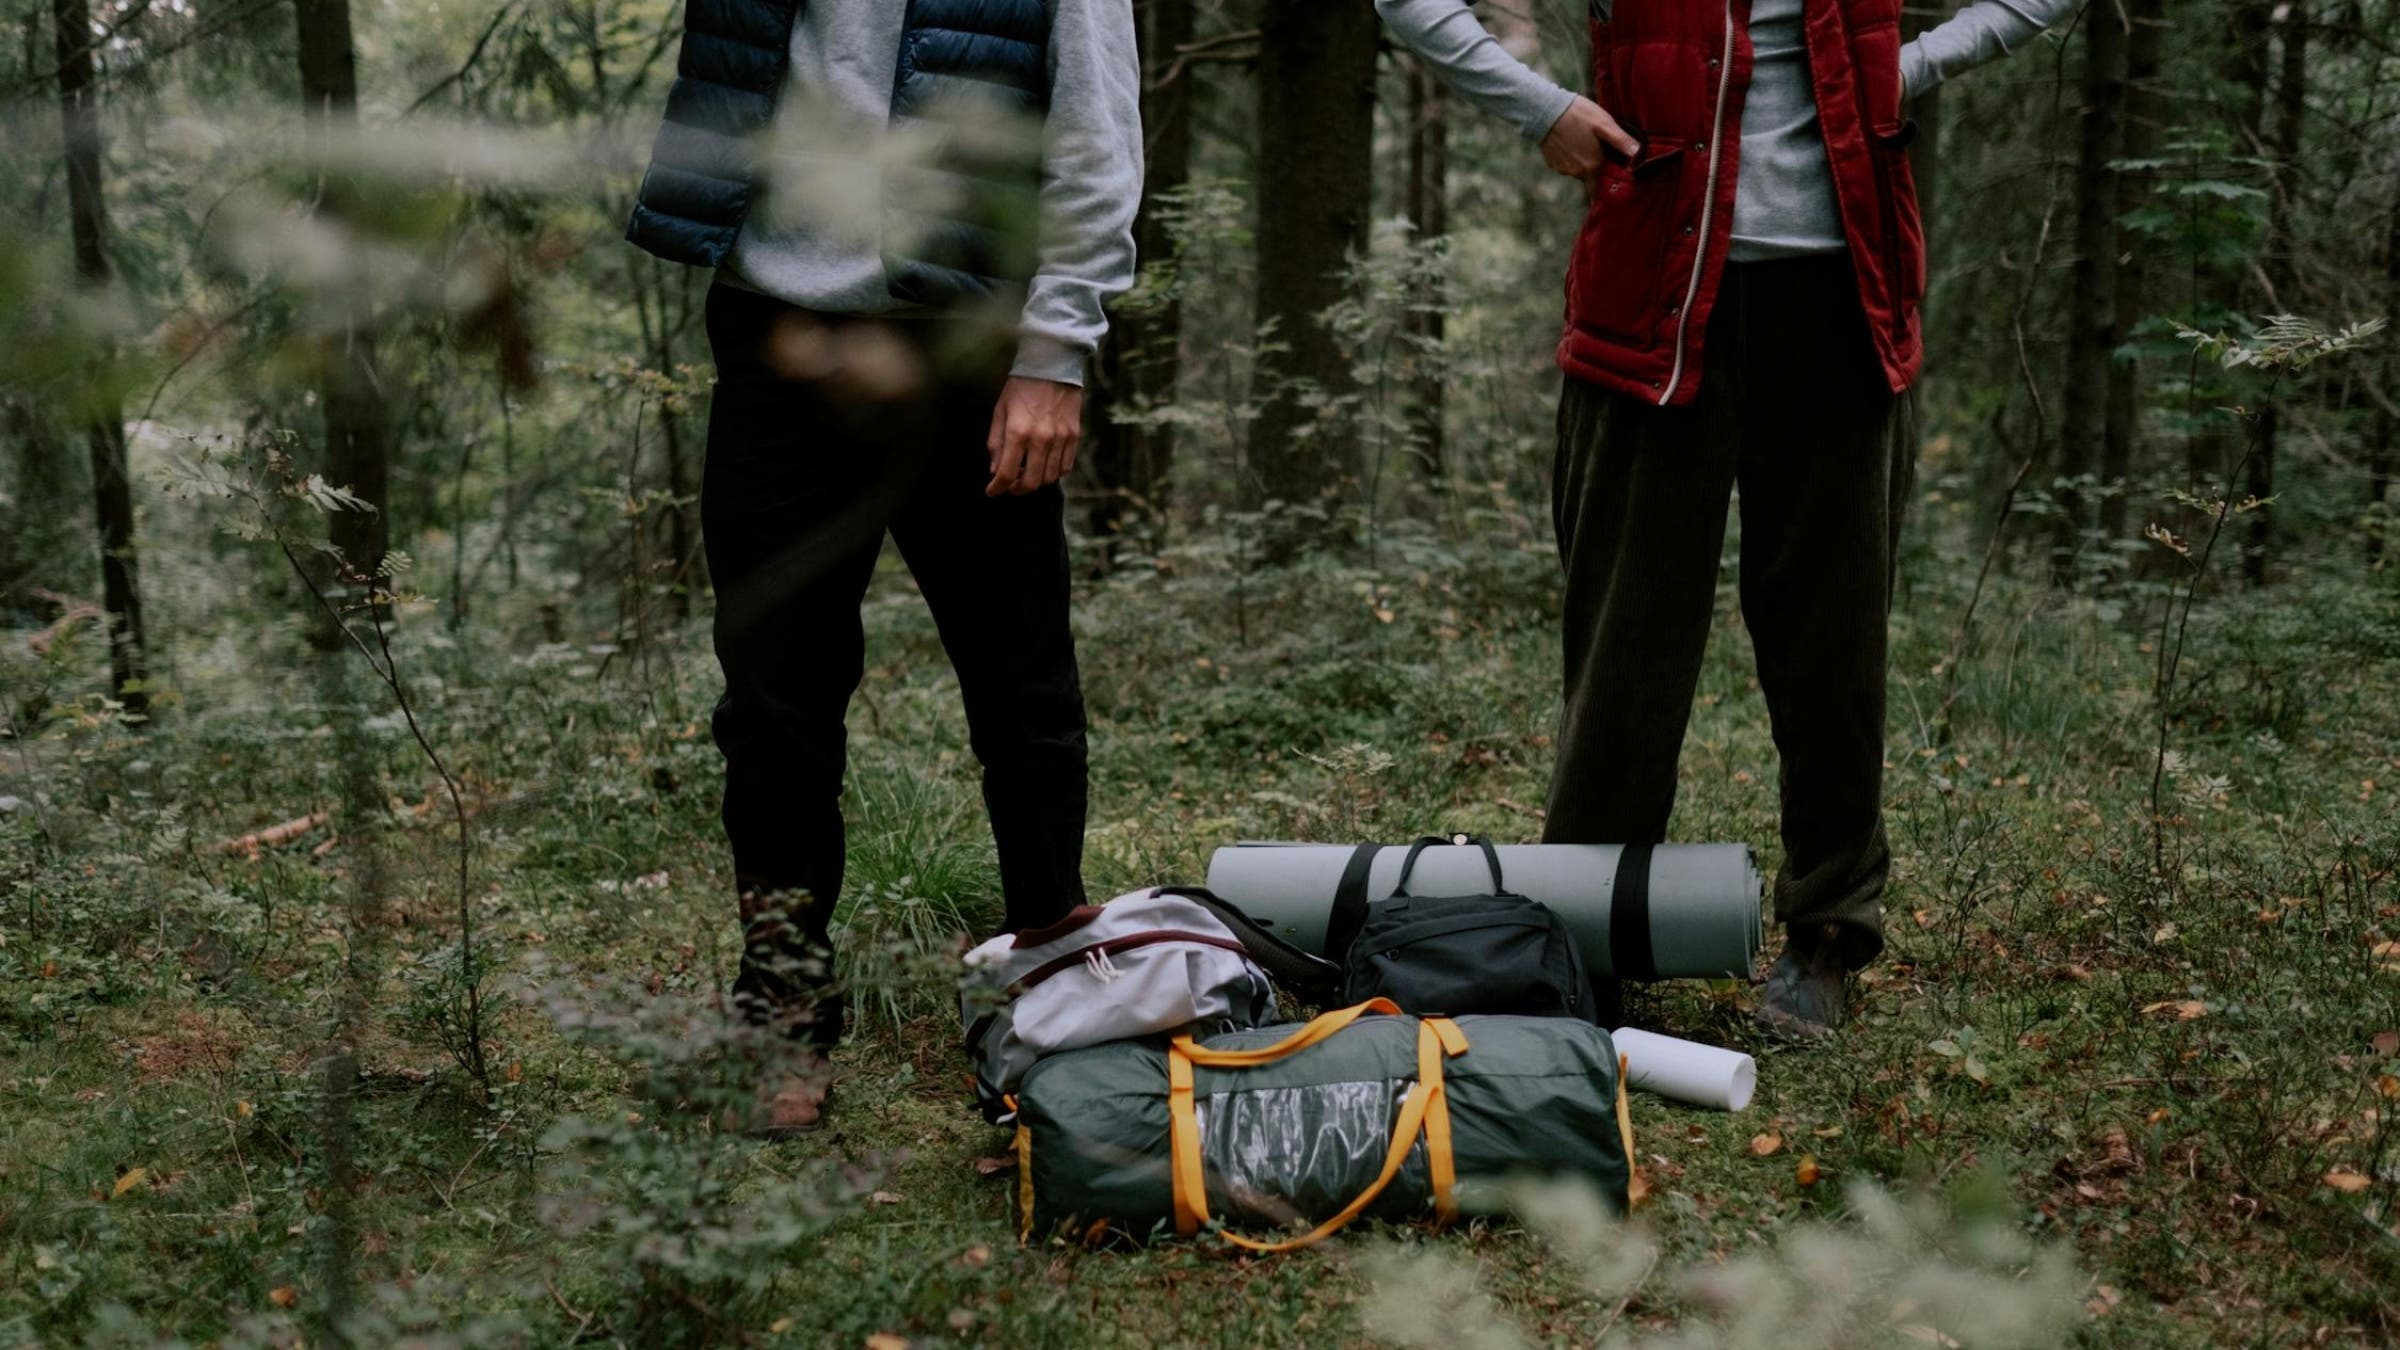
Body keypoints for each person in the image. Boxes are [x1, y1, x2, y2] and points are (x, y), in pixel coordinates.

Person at [1377, 0, 2082, 1040]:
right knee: (1625, 653)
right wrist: (1537, 107)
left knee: (1831, 646)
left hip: (1842, 299)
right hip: (1647, 307)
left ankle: (1828, 935)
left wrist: (1917, 63)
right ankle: (1586, 943)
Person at [626, 0, 1142, 1130]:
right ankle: (782, 1019)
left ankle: (1058, 992)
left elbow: (1099, 137)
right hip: (778, 337)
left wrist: (1055, 355)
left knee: (1022, 690)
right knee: (772, 706)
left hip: (971, 345)